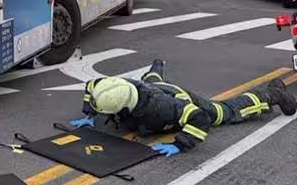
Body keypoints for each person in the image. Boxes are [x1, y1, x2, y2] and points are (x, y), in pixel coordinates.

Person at [71, 60, 297, 157]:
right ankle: (157, 65)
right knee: (152, 81)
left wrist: (180, 144)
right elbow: (92, 86)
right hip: (151, 89)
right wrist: (89, 114)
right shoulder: (112, 86)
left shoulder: (162, 109)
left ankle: (273, 94)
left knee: (224, 113)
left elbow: (200, 118)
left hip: (180, 98)